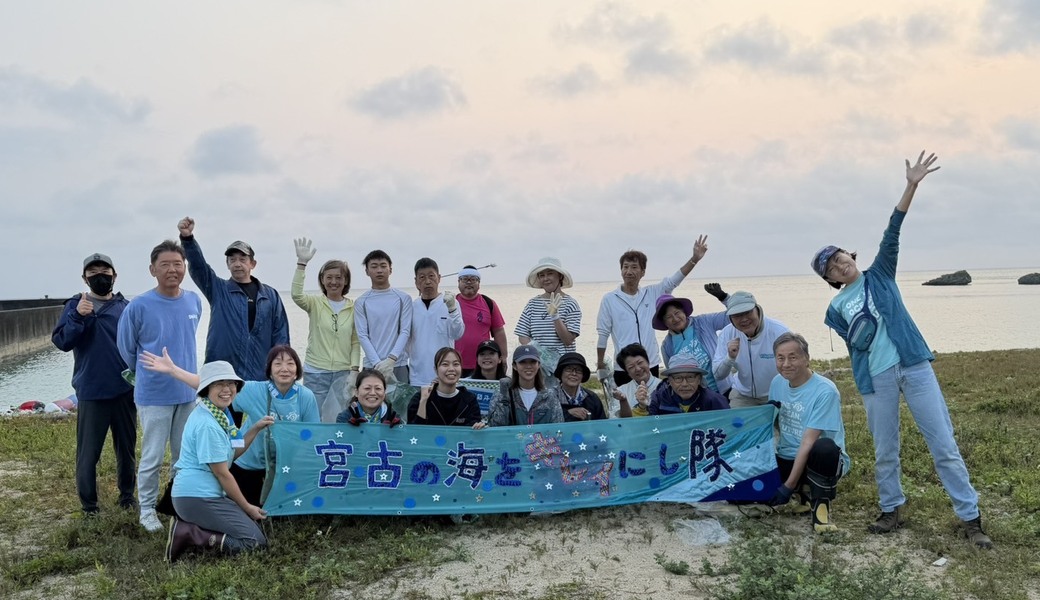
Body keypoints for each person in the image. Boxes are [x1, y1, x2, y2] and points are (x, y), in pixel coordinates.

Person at [811, 151, 992, 548]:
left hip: (914, 367)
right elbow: (854, 349)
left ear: (850, 257)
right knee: (885, 449)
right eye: (832, 268)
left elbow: (893, 230)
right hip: (877, 379)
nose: (840, 266)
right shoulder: (835, 307)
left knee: (942, 443)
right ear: (829, 279)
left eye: (841, 258)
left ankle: (970, 518)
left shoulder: (880, 274)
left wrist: (911, 184)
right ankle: (891, 509)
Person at [140, 345, 319, 506]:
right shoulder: (255, 390)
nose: (285, 369)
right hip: (249, 464)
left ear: (297, 371)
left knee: (286, 509)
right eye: (278, 363)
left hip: (286, 465)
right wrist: (173, 370)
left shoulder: (306, 396)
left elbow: (313, 435)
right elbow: (210, 385)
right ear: (270, 371)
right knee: (250, 509)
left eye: (290, 364)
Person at [117, 240, 202, 533]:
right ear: (153, 269)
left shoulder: (193, 300)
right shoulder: (139, 305)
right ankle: (148, 510)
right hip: (153, 395)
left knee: (184, 455)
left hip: (187, 393)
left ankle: (178, 504)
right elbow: (126, 349)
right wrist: (145, 373)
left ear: (185, 268)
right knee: (152, 455)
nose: (172, 270)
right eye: (165, 265)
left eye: (177, 264)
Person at [52, 252, 136, 516]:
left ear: (114, 275)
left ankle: (127, 498)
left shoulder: (126, 307)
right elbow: (62, 342)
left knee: (127, 450)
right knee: (88, 455)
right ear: (84, 278)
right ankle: (89, 508)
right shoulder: (75, 305)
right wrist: (78, 316)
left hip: (125, 391)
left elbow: (141, 344)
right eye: (93, 272)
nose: (100, 276)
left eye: (105, 271)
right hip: (91, 392)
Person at [165, 361, 274, 562]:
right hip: (197, 497)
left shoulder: (220, 414)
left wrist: (256, 428)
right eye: (219, 384)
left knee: (256, 533)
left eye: (231, 384)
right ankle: (188, 532)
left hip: (205, 495)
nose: (227, 390)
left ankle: (195, 526)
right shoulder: (208, 425)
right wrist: (247, 507)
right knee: (255, 544)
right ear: (207, 389)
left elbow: (232, 453)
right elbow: (223, 473)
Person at [177, 217, 290, 385]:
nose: (237, 264)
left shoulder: (270, 296)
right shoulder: (218, 290)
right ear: (227, 264)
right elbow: (199, 267)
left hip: (260, 378)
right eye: (232, 260)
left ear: (253, 263)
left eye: (242, 259)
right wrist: (187, 239)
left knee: (260, 413)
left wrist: (281, 372)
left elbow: (281, 336)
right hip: (222, 378)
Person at [595, 237, 719, 385]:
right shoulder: (609, 299)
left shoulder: (652, 293)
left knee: (652, 405)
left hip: (650, 364)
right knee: (627, 406)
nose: (629, 271)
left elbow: (674, 280)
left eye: (634, 267)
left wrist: (694, 259)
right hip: (624, 367)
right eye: (625, 267)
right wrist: (600, 365)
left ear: (643, 272)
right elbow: (603, 334)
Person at [765, 333, 850, 534]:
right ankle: (802, 492)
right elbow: (772, 425)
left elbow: (807, 442)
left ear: (806, 358)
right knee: (748, 492)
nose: (786, 364)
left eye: (793, 357)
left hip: (816, 457)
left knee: (825, 447)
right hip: (787, 455)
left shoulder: (825, 391)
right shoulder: (777, 382)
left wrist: (787, 486)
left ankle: (820, 509)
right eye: (780, 358)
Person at [291, 238, 361, 422]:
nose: (334, 282)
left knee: (339, 417)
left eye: (338, 277)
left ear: (346, 281)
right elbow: (296, 295)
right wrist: (302, 264)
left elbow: (355, 341)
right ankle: (313, 450)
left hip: (342, 372)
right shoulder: (315, 303)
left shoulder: (353, 307)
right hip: (316, 371)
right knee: (313, 416)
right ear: (322, 280)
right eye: (329, 277)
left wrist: (354, 370)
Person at [711, 291, 790, 407]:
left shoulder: (779, 331)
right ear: (730, 318)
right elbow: (718, 375)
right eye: (737, 315)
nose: (744, 319)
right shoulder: (727, 333)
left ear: (757, 309)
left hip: (776, 394)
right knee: (735, 424)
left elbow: (795, 366)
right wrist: (729, 358)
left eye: (747, 312)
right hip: (742, 395)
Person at [653, 291, 731, 394]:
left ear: (684, 312)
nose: (675, 319)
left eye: (677, 313)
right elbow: (673, 375)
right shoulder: (667, 346)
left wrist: (725, 298)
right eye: (669, 317)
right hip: (695, 397)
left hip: (724, 389)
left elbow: (731, 317)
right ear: (664, 322)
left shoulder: (704, 322)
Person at [354, 249, 412, 383]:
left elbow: (405, 330)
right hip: (371, 365)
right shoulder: (361, 302)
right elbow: (362, 335)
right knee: (371, 402)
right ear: (367, 271)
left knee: (401, 404)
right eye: (374, 266)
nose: (379, 270)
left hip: (398, 364)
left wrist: (391, 359)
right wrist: (377, 364)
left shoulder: (404, 298)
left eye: (383, 266)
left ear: (390, 269)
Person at [515, 257, 581, 372]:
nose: (546, 279)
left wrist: (555, 316)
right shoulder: (532, 304)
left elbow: (568, 340)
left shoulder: (570, 303)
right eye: (541, 275)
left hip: (563, 367)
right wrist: (538, 353)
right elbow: (522, 334)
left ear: (560, 276)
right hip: (537, 367)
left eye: (550, 274)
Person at [406, 258, 465, 386]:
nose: (427, 281)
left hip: (443, 376)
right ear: (416, 282)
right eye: (422, 277)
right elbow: (405, 341)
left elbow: (458, 334)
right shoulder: (411, 307)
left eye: (431, 276)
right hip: (417, 377)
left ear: (439, 278)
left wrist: (452, 309)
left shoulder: (451, 303)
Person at [486, 345, 564, 426]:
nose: (528, 366)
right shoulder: (502, 393)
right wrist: (504, 400)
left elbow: (558, 427)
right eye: (523, 362)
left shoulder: (550, 396)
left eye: (533, 362)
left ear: (539, 365)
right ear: (514, 366)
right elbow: (495, 425)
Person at [407, 347, 484, 428]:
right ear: (436, 369)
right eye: (445, 364)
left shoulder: (469, 399)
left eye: (456, 364)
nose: (451, 369)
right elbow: (414, 432)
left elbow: (473, 433)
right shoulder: (419, 398)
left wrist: (479, 427)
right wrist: (423, 402)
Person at [455, 265, 508, 378]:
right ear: (458, 282)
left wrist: (503, 357)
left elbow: (498, 331)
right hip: (455, 365)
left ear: (479, 283)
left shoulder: (489, 303)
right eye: (465, 279)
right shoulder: (450, 303)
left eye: (473, 279)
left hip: (484, 366)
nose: (469, 283)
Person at [649, 354, 730, 415]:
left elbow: (729, 425)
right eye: (678, 378)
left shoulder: (714, 400)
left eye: (690, 377)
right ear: (669, 381)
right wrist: (642, 407)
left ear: (699, 379)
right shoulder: (659, 397)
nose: (684, 384)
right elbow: (645, 425)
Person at [551, 352, 607, 422]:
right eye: (569, 369)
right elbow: (543, 422)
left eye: (578, 370)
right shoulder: (549, 398)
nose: (574, 373)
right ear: (561, 373)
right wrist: (568, 413)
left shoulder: (592, 398)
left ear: (583, 376)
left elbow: (602, 425)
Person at [336, 369, 403, 426]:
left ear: (384, 392)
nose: (372, 393)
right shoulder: (344, 418)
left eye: (378, 388)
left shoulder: (394, 418)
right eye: (367, 388)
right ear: (356, 392)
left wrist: (393, 432)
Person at [608, 344, 659, 418]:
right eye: (631, 367)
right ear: (627, 372)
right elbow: (619, 422)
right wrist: (623, 401)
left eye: (640, 363)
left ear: (648, 362)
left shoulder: (664, 386)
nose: (638, 369)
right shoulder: (621, 391)